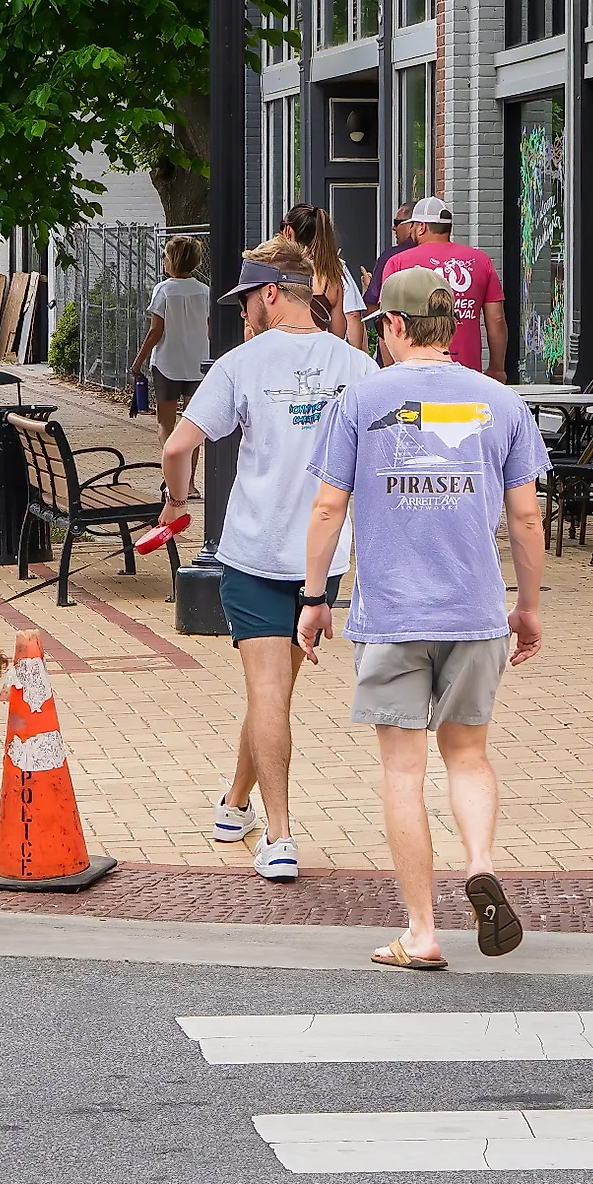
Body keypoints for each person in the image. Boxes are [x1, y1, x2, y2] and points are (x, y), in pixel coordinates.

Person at [299, 267, 550, 968]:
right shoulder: (501, 404)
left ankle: (422, 931)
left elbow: (327, 507)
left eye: (382, 324)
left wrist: (315, 597)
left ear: (399, 327)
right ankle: (479, 859)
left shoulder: (360, 399)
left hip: (391, 614)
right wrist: (526, 606)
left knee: (403, 772)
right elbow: (527, 517)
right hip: (474, 611)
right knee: (468, 753)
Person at [159, 238, 376, 881]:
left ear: (272, 293)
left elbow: (178, 447)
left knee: (267, 694)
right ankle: (235, 804)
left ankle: (278, 835)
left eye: (248, 300)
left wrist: (176, 503)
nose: (244, 313)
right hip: (321, 560)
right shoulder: (356, 366)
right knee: (275, 694)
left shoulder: (240, 365)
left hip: (252, 550)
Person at [374, 195, 507, 380]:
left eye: (413, 226)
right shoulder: (480, 260)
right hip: (467, 375)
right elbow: (497, 320)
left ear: (421, 227)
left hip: (413, 373)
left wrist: (391, 371)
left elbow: (387, 321)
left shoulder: (398, 262)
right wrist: (497, 369)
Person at [129, 235, 212, 449]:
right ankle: (189, 481)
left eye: (165, 256)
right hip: (198, 365)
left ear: (172, 260)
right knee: (192, 428)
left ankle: (171, 479)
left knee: (165, 426)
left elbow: (156, 330)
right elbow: (210, 329)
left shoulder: (164, 290)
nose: (163, 260)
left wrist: (139, 361)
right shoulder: (205, 292)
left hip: (167, 365)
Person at [282, 203, 369, 351]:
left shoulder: (275, 270)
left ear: (289, 231)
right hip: (320, 360)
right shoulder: (331, 274)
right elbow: (341, 331)